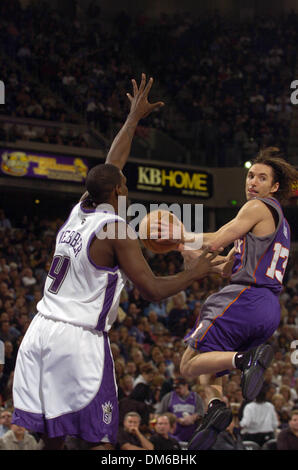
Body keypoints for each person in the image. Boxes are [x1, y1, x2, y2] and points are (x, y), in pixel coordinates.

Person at [11, 74, 223, 451]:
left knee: (53, 439)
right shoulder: (116, 230)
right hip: (76, 340)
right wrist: (196, 271)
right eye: (124, 184)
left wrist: (131, 119)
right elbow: (153, 288)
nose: (126, 185)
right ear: (118, 191)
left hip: (39, 332)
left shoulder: (80, 209)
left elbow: (111, 163)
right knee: (99, 440)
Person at [156, 147, 297, 450]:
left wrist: (179, 233)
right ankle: (216, 411)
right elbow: (223, 267)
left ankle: (246, 360)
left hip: (246, 298)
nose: (253, 182)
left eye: (262, 178)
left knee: (188, 365)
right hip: (269, 309)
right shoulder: (278, 224)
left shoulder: (258, 207)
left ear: (274, 187)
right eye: (250, 175)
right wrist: (183, 250)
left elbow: (218, 239)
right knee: (208, 370)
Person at [156, 376, 204, 444]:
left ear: (186, 386)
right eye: (175, 388)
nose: (177, 390)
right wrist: (175, 419)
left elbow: (201, 413)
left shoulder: (196, 397)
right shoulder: (169, 397)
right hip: (173, 435)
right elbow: (158, 414)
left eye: (179, 388)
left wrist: (193, 417)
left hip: (191, 434)